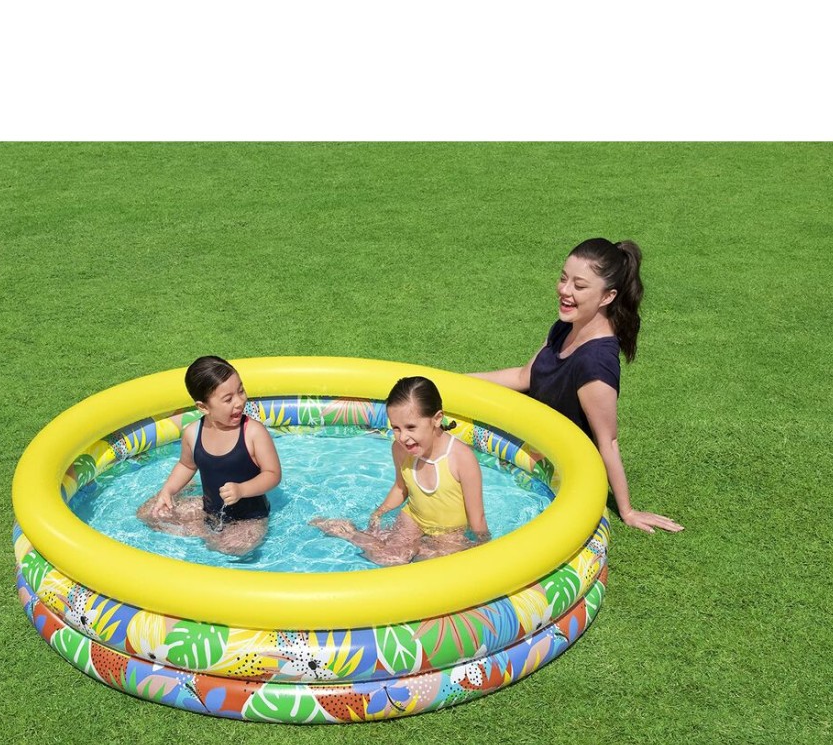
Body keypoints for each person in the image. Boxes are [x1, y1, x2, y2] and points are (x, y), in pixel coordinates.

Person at [470, 238, 683, 533]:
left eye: (579, 286)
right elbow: (523, 377)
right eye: (563, 278)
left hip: (560, 466)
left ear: (607, 297)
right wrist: (453, 381)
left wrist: (627, 510)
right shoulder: (566, 326)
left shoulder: (596, 362)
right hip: (531, 443)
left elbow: (607, 441)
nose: (564, 290)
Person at [311, 376, 489, 565]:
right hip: (413, 519)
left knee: (427, 564)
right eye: (396, 428)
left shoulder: (461, 458)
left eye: (411, 427)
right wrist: (378, 513)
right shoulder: (401, 449)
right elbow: (400, 487)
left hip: (450, 533)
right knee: (391, 558)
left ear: (437, 419)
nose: (403, 437)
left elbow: (477, 517)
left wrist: (484, 550)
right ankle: (349, 532)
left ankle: (407, 546)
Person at [137, 355, 281, 556]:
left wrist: (242, 490)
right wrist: (168, 491)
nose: (239, 402)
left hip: (248, 518)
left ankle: (204, 534)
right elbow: (186, 466)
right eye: (228, 399)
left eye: (241, 390)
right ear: (203, 407)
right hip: (209, 510)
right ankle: (206, 531)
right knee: (148, 513)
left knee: (233, 548)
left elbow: (273, 474)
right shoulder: (193, 433)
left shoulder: (253, 432)